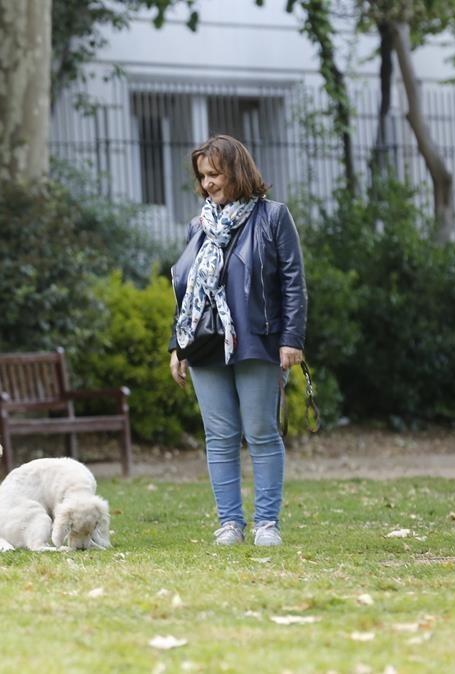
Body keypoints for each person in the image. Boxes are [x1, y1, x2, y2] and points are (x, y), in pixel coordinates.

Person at [168, 134, 307, 547]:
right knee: (220, 435)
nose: (208, 183)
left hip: (257, 340)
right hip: (205, 343)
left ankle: (267, 523)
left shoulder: (273, 217)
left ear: (237, 171)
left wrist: (291, 338)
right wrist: (177, 344)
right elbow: (186, 286)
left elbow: (293, 283)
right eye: (203, 176)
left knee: (262, 432)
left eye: (215, 174)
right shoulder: (200, 225)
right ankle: (230, 523)